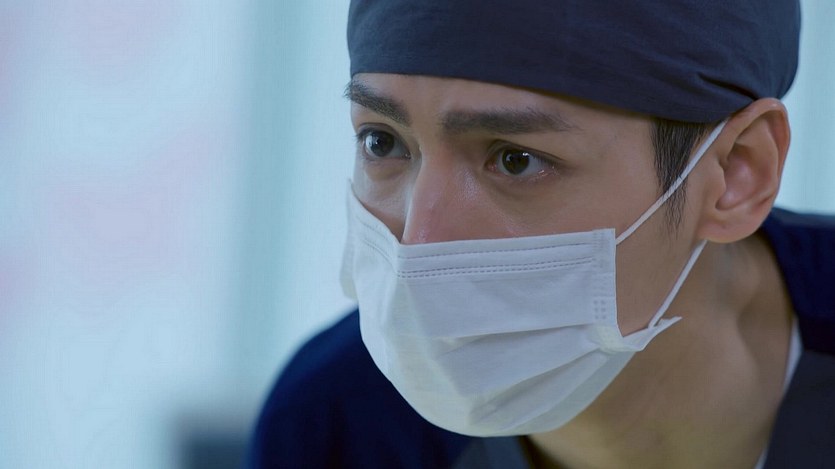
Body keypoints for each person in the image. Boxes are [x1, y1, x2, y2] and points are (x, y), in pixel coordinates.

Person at [247, 1, 835, 467]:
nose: (420, 243)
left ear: (737, 174)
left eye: (516, 160)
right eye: (383, 142)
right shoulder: (333, 426)